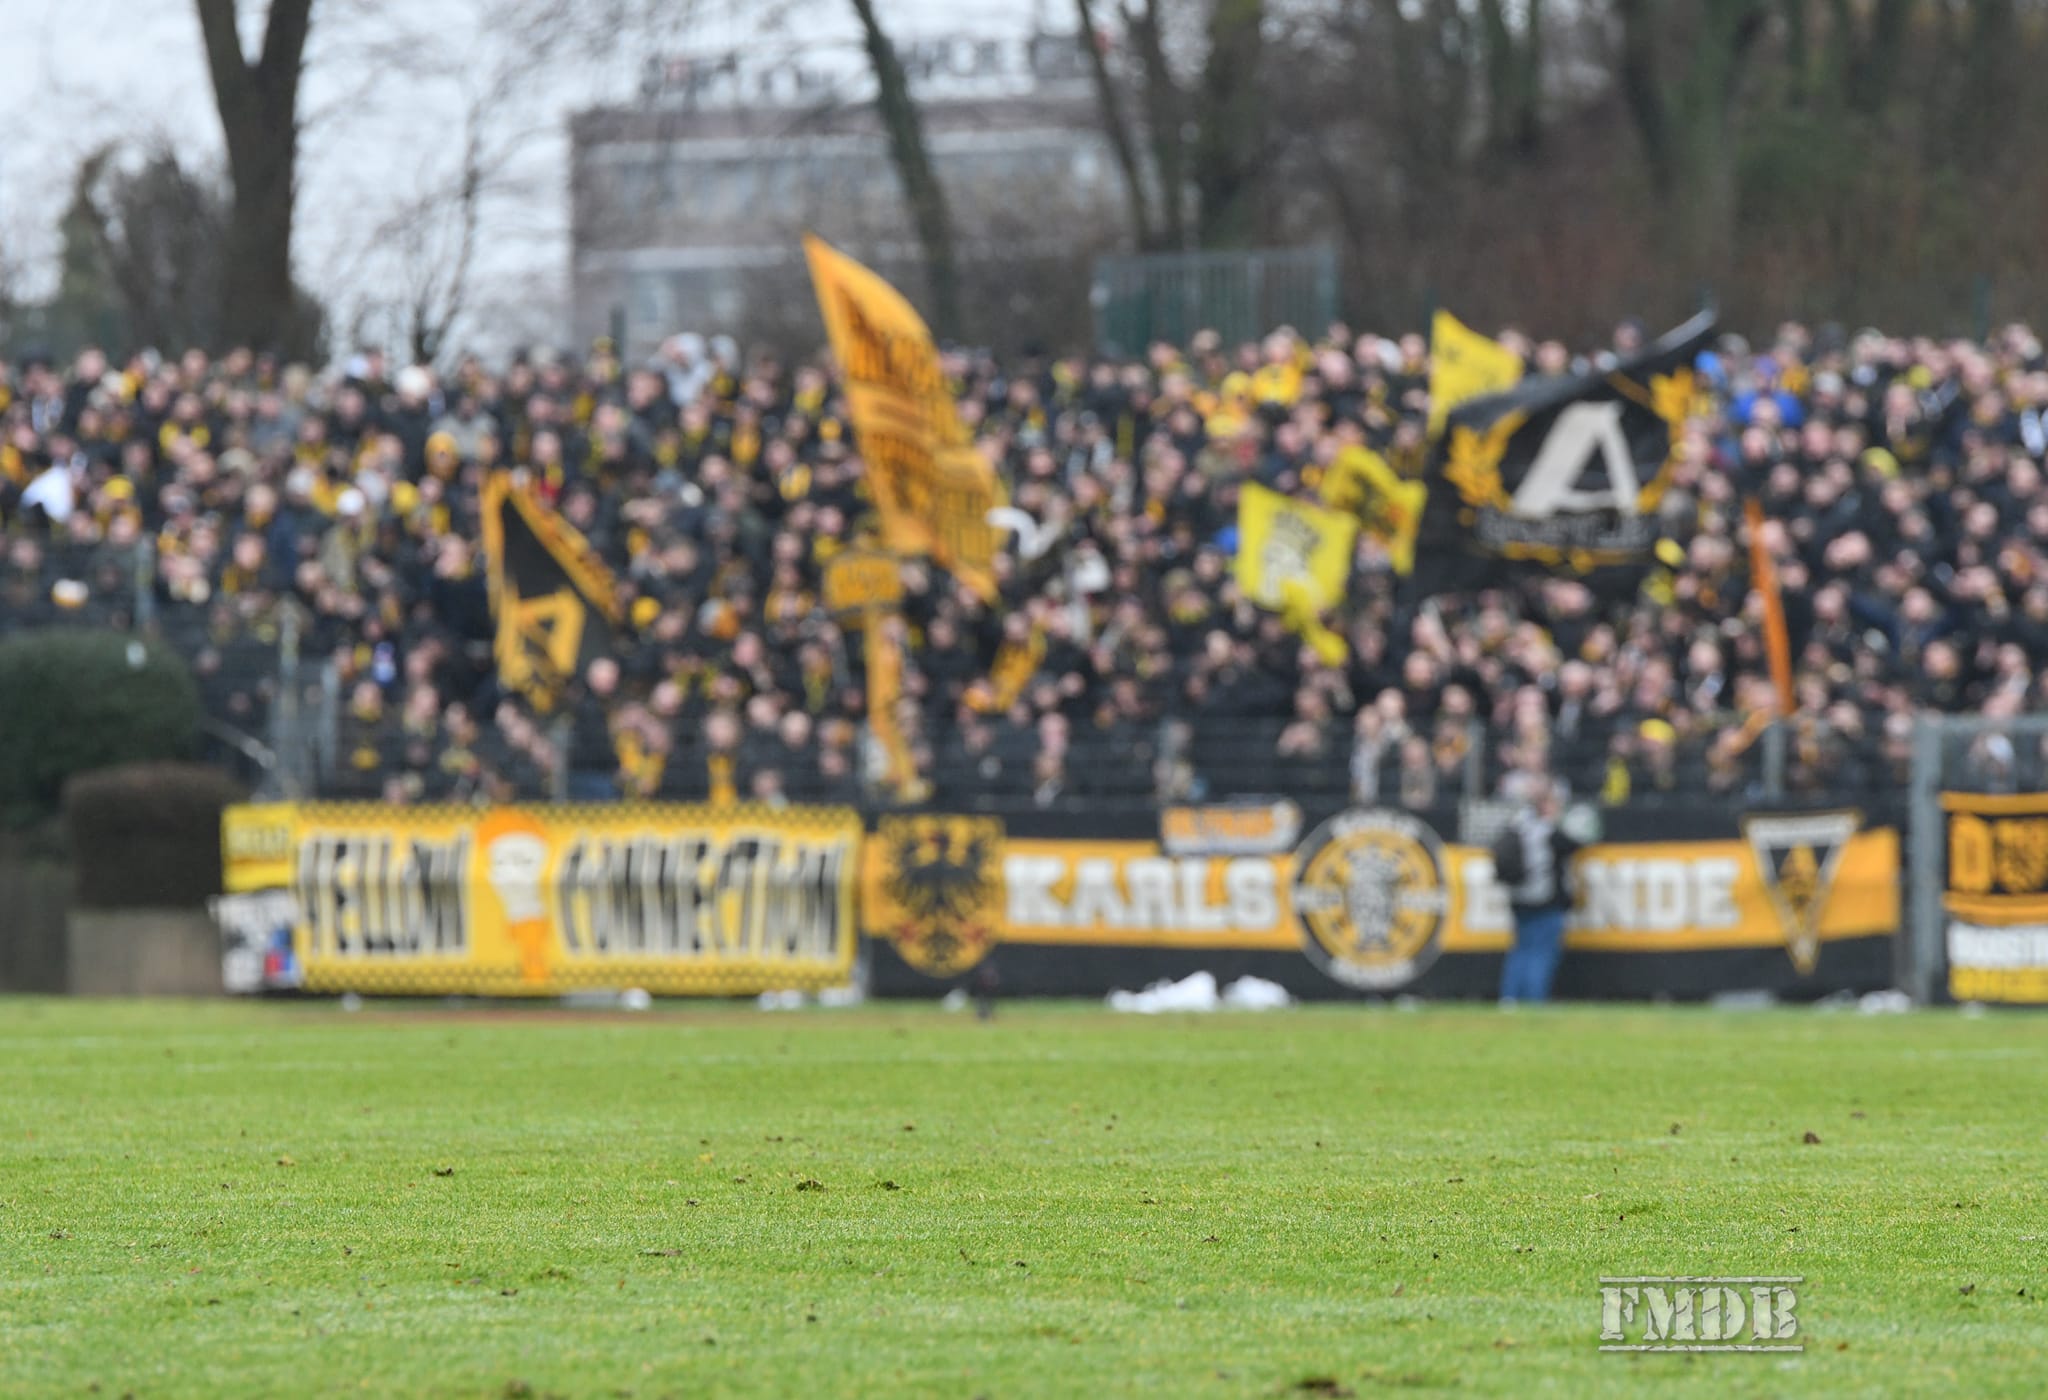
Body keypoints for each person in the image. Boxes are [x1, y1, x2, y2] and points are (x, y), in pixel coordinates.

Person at [1497, 778, 1584, 1004]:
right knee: (1541, 953)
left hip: (1519, 898)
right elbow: (1578, 842)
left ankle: (1510, 998)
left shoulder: (1517, 825)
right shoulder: (1549, 831)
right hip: (1546, 901)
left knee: (1520, 949)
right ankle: (1535, 999)